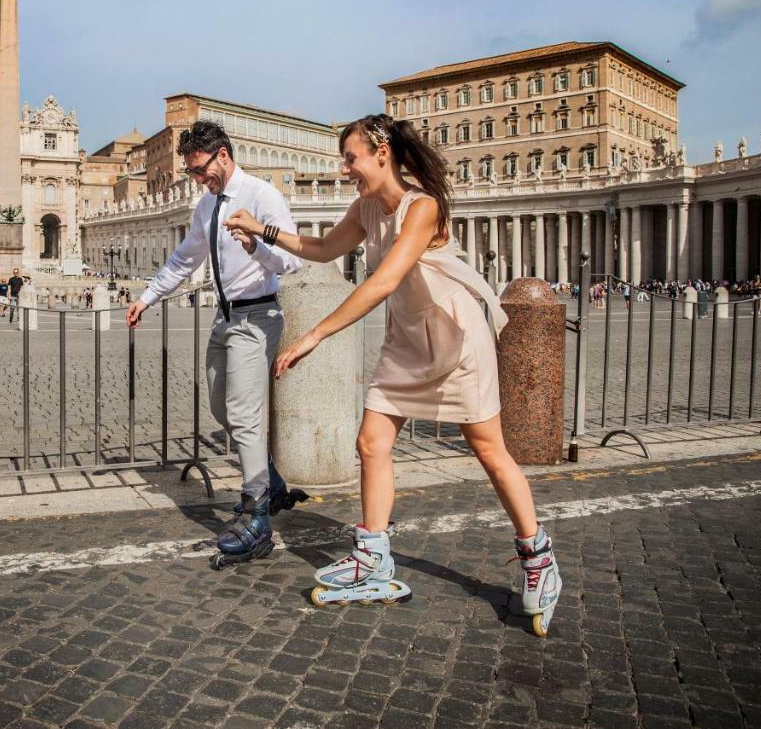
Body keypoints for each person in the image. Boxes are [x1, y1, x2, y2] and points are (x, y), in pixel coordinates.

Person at [226, 114, 560, 634]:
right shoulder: (364, 208)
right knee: (371, 442)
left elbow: (383, 282)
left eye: (351, 158)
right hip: (406, 339)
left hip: (454, 337)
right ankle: (373, 557)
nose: (345, 169)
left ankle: (538, 558)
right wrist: (260, 230)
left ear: (382, 152)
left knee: (490, 451)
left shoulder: (421, 207)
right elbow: (320, 250)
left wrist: (314, 334)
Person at [126, 120, 306, 570]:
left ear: (223, 155)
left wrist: (257, 246)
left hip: (258, 314)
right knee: (223, 410)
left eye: (201, 170)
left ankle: (257, 516)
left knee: (244, 415)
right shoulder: (206, 206)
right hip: (224, 318)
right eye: (192, 173)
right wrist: (147, 297)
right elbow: (184, 258)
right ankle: (274, 483)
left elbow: (291, 260)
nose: (198, 179)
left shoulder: (263, 196)